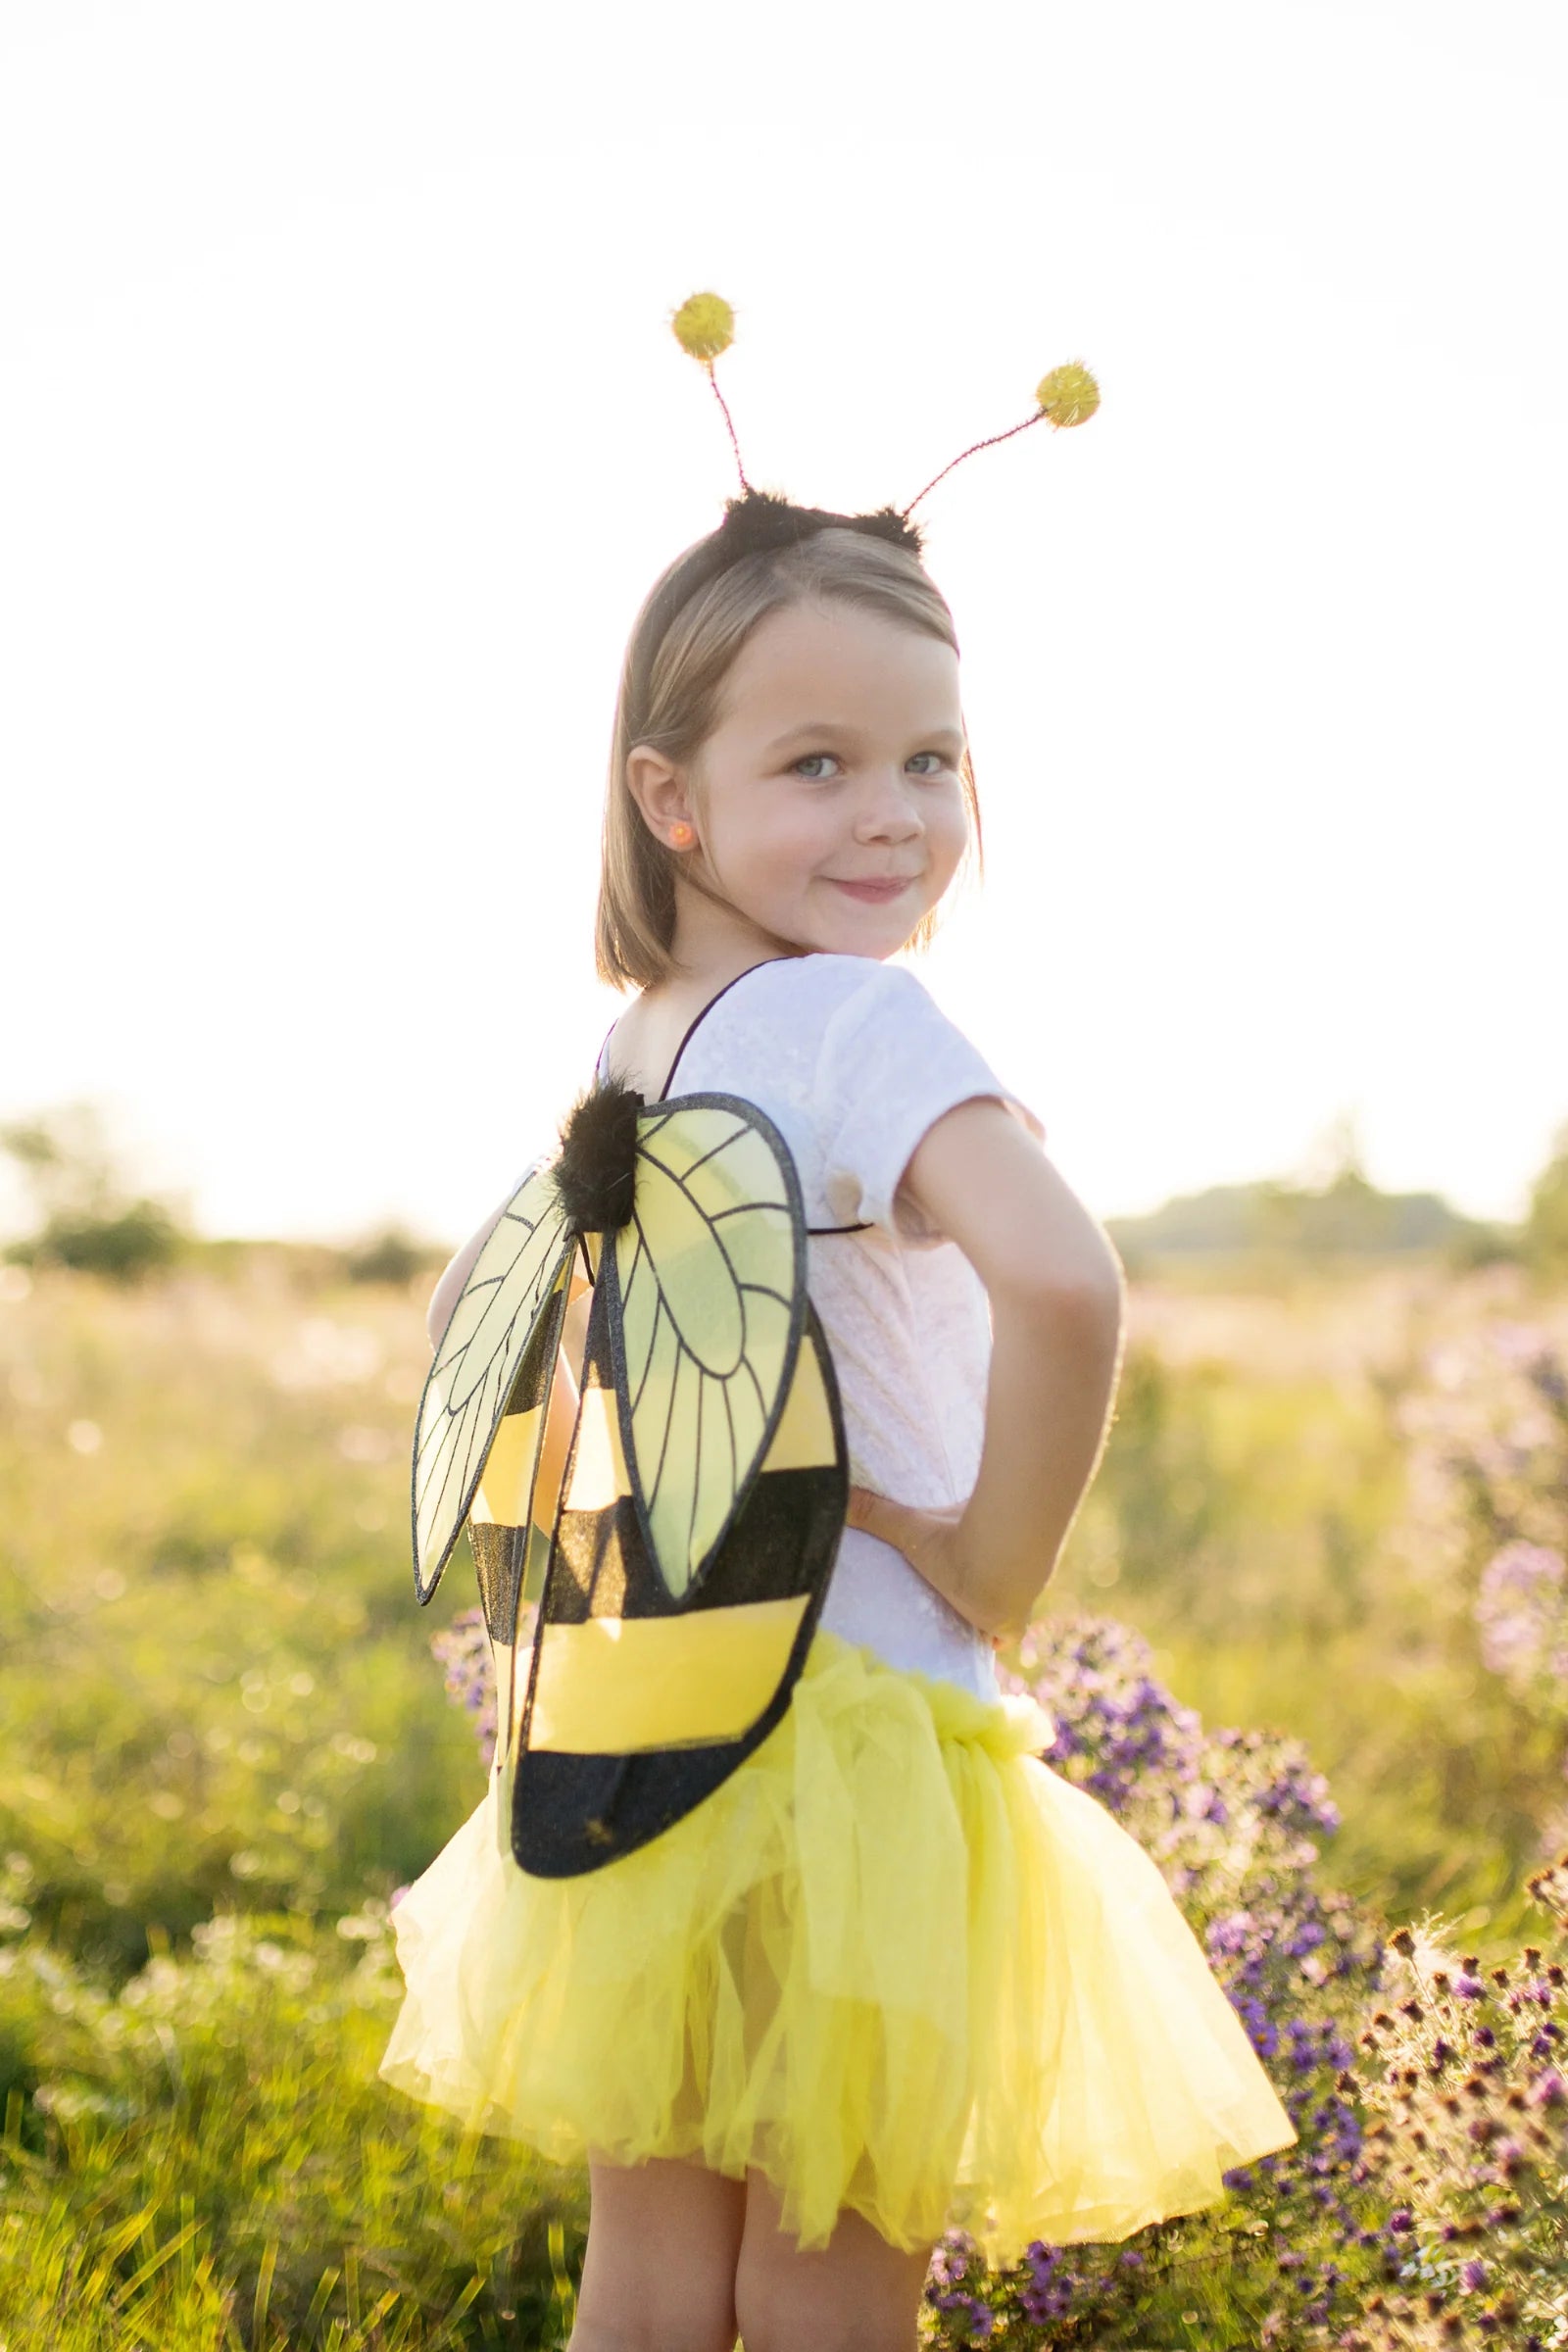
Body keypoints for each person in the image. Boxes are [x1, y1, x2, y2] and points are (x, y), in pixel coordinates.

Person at [380, 472, 1298, 2352]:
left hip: (650, 1718)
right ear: (671, 798)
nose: (893, 815)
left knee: (646, 2279)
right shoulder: (862, 1025)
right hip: (859, 1739)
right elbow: (1063, 1282)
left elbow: (497, 1316)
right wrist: (993, 1559)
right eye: (819, 764)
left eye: (932, 762)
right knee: (826, 2288)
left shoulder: (636, 1054)